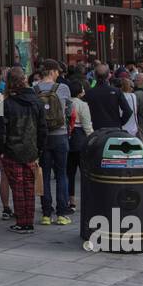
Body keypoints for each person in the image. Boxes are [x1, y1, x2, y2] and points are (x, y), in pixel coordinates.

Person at [0, 67, 46, 232]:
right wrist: (40, 149)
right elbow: (43, 129)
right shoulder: (37, 101)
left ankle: (22, 222)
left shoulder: (5, 104)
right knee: (29, 187)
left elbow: (0, 131)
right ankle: (28, 221)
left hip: (12, 151)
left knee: (17, 187)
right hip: (31, 150)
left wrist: (1, 150)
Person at [33, 64, 72, 226]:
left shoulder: (34, 89)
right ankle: (62, 213)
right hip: (60, 135)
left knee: (45, 174)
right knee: (62, 174)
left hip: (42, 137)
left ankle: (46, 214)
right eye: (58, 72)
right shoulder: (63, 88)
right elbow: (70, 111)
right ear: (53, 71)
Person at [63, 78, 93, 210]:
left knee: (69, 172)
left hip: (67, 137)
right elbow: (87, 126)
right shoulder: (82, 105)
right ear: (80, 92)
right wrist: (93, 140)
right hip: (80, 138)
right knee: (85, 172)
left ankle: (71, 201)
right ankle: (89, 199)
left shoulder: (65, 103)